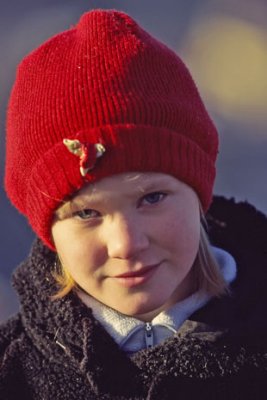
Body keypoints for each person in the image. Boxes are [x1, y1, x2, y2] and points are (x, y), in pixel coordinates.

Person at [1, 9, 267, 400]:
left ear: (198, 193)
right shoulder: (14, 375)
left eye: (152, 198)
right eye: (87, 213)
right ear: (48, 229)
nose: (126, 243)